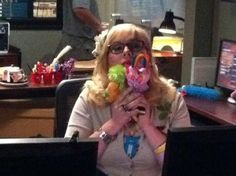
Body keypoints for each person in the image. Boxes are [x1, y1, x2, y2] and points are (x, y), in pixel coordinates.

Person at [65, 23, 191, 176]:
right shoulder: (90, 98)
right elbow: (73, 162)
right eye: (117, 48)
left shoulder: (171, 100)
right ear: (106, 59)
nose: (126, 52)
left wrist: (148, 127)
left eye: (135, 46)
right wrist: (114, 124)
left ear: (148, 56)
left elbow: (182, 165)